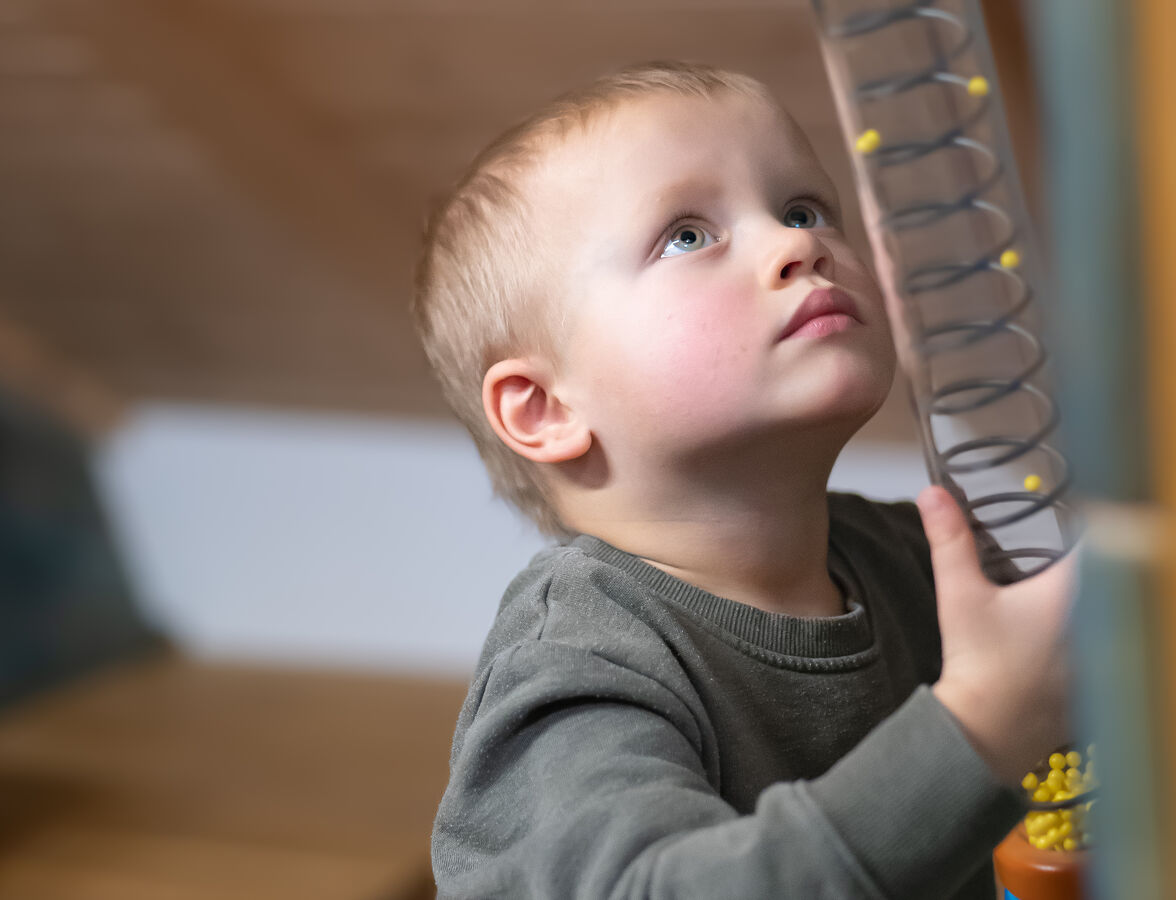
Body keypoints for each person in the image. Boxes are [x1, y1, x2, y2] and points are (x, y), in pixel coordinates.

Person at [412, 60, 1078, 898]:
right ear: (544, 408)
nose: (798, 244)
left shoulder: (916, 562)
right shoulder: (574, 672)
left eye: (803, 209)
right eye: (687, 236)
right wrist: (982, 729)